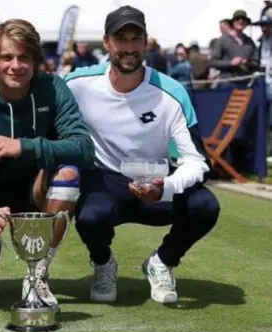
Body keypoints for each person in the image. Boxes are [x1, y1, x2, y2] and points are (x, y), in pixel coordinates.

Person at [65, 5, 220, 304]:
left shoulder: (172, 92)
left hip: (156, 182)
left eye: (136, 39)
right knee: (89, 216)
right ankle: (103, 264)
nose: (129, 47)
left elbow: (198, 161)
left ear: (146, 42)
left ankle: (161, 262)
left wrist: (167, 186)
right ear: (107, 42)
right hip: (106, 182)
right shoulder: (78, 84)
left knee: (205, 205)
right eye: (121, 39)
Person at [0, 19, 95, 309]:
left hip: (33, 193)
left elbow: (84, 149)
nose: (16, 65)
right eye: (7, 57)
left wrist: (24, 146)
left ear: (36, 60)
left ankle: (37, 274)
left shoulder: (53, 88)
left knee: (68, 172)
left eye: (24, 57)